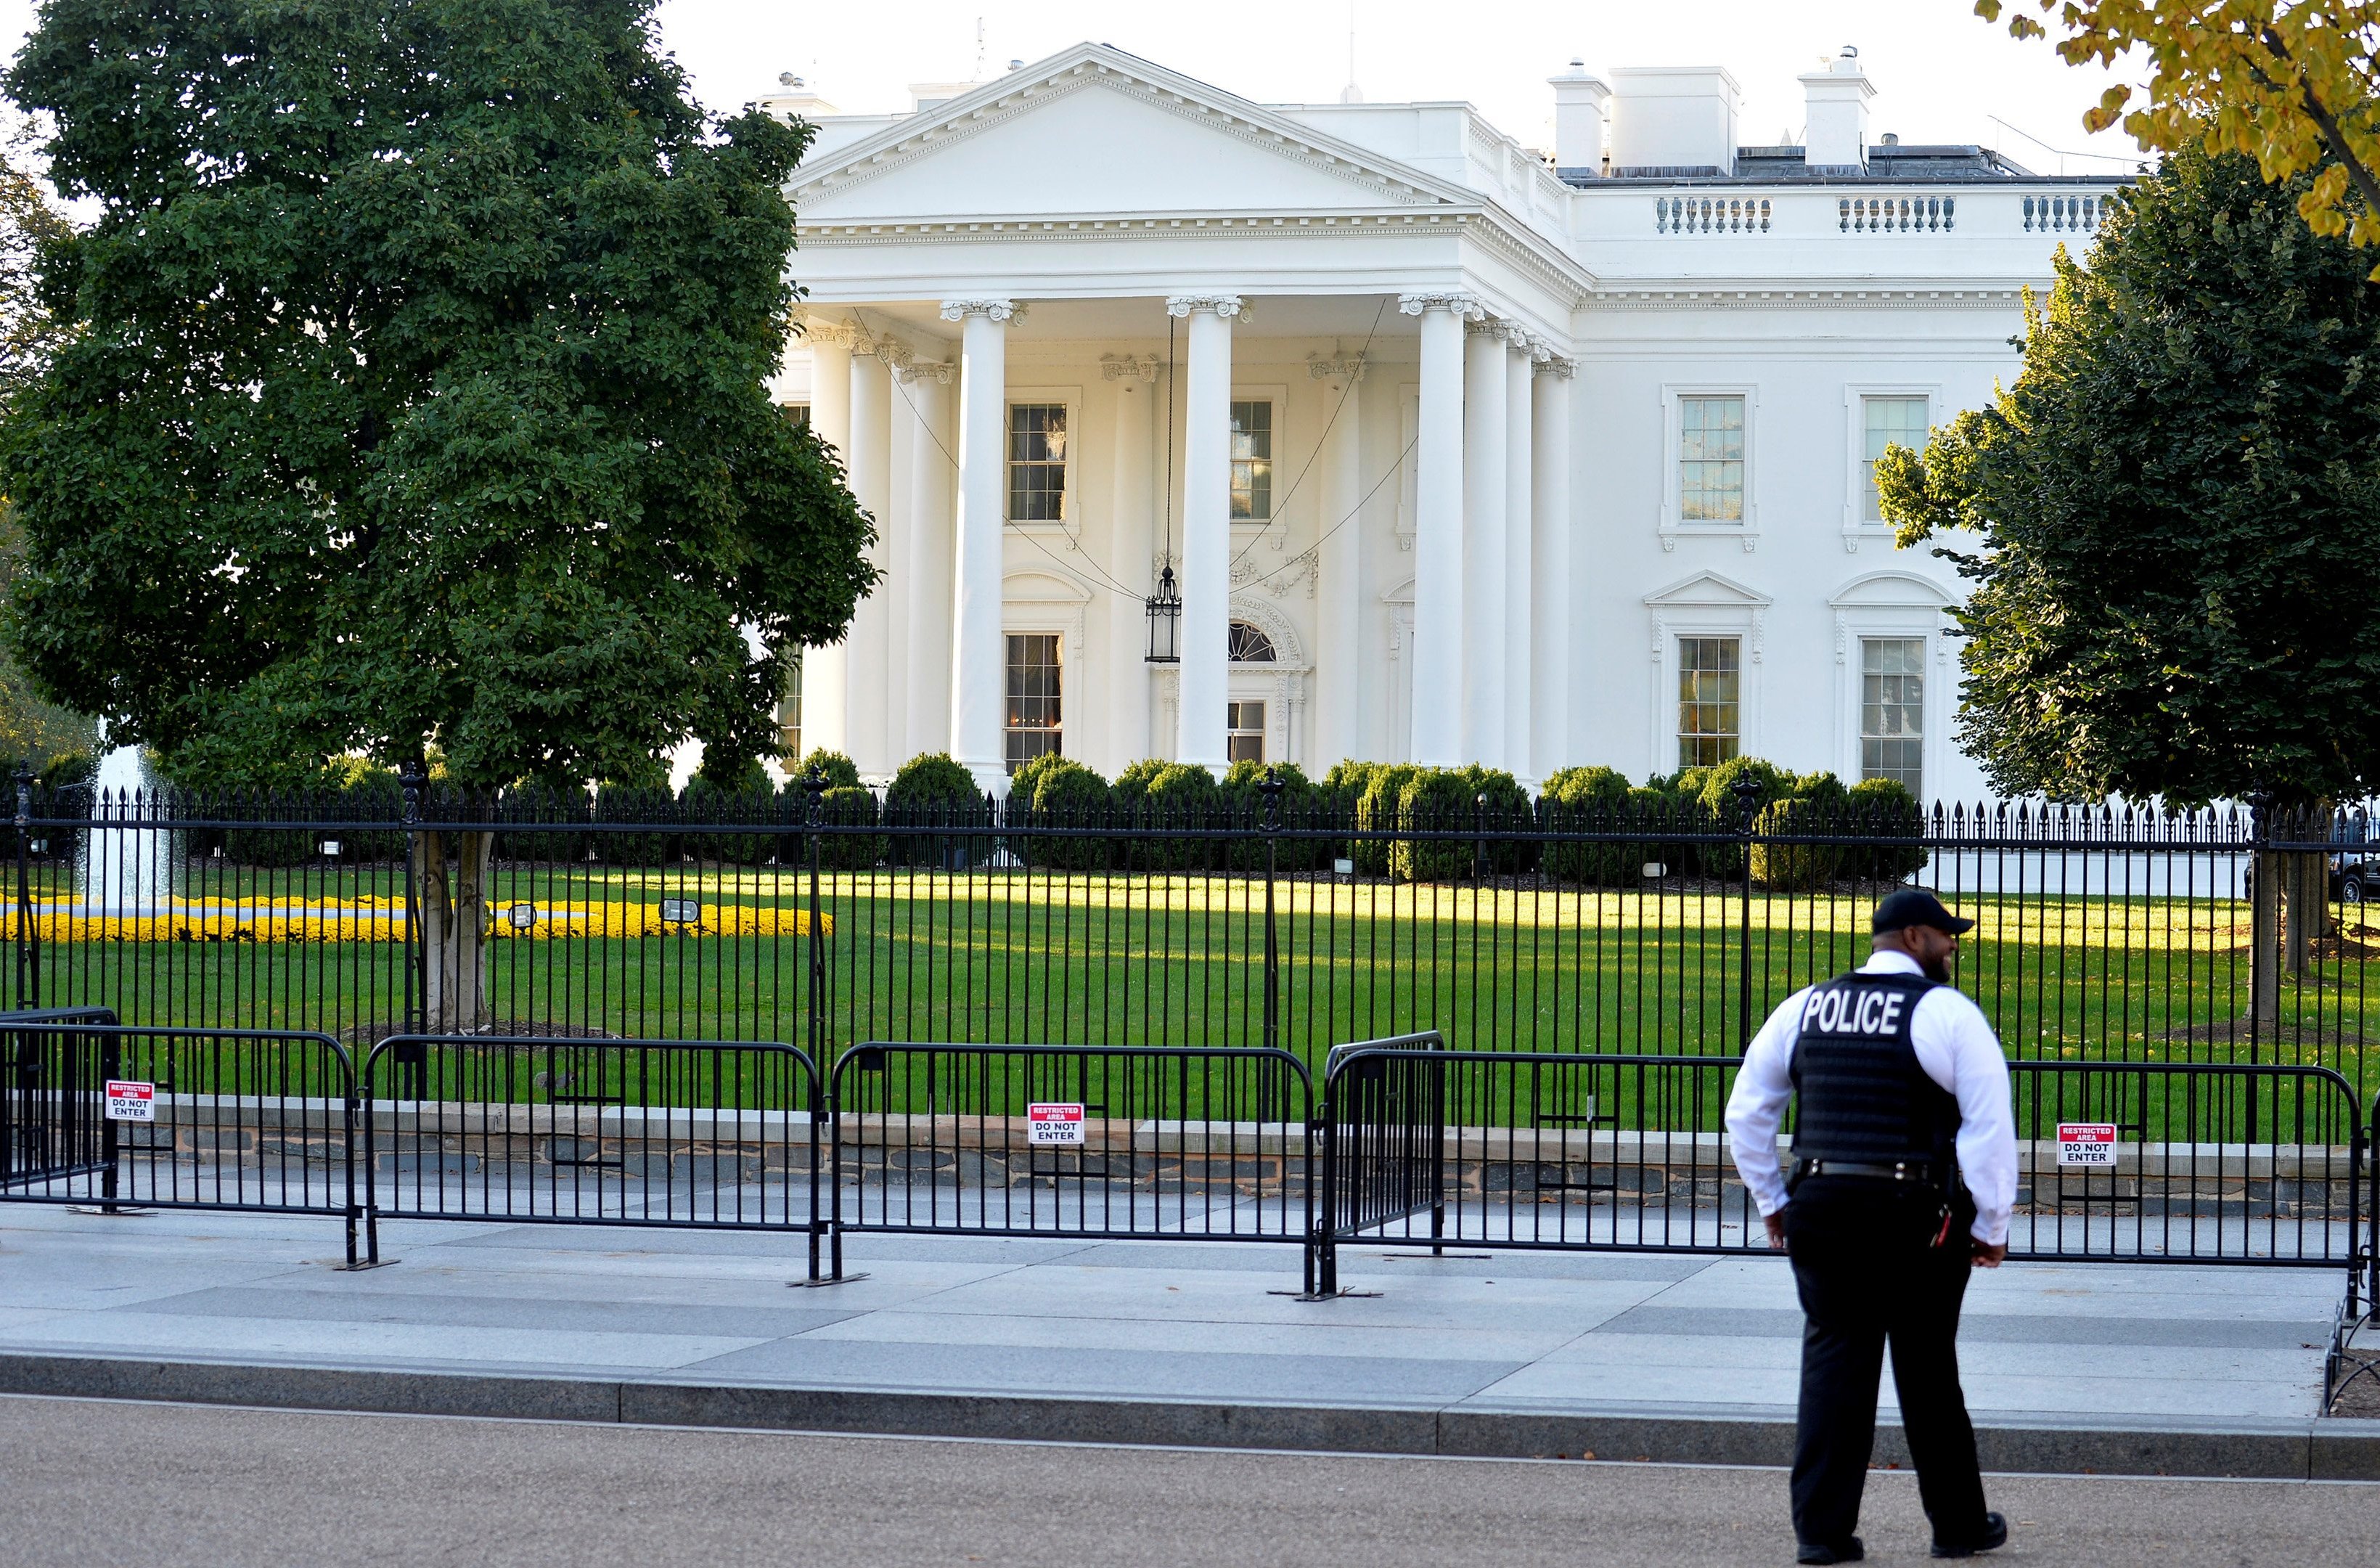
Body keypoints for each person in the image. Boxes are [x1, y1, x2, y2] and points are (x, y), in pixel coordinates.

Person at [1725, 888, 2016, 1564]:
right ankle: (1957, 1526)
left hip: (1821, 1205)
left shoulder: (1805, 1006)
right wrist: (1992, 1223)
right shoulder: (1944, 1012)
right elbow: (1988, 1130)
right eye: (1945, 936)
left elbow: (1747, 1114)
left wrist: (1773, 1201)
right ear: (1914, 937)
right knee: (1926, 1369)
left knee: (1832, 1364)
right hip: (1914, 1213)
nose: (1951, 948)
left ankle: (1820, 1536)